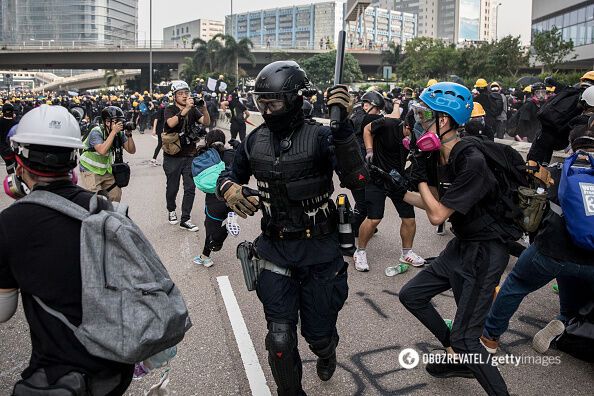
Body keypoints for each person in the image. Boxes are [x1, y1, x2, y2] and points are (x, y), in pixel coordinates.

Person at [216, 60, 367, 396]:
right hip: (275, 251)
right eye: (262, 103)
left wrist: (344, 131)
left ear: (297, 98)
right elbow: (228, 175)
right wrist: (227, 188)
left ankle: (327, 351)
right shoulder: (255, 140)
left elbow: (357, 178)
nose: (268, 110)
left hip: (320, 252)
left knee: (318, 336)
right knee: (280, 339)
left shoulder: (322, 135)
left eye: (275, 103)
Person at [0, 105, 134, 395]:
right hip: (114, 369)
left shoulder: (9, 224)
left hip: (55, 376)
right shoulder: (108, 210)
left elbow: (3, 311)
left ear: (20, 161)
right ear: (74, 157)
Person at [396, 82, 511, 395]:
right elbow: (433, 200)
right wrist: (395, 186)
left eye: (423, 116)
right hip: (462, 246)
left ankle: (465, 352)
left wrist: (418, 179)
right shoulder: (442, 156)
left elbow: (436, 216)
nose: (417, 123)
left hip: (485, 254)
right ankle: (460, 353)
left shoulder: (472, 161)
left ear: (443, 121)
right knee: (412, 295)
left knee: (467, 338)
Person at [481, 121, 594, 355]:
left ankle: (490, 338)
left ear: (572, 146)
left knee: (517, 284)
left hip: (552, 252)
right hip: (591, 260)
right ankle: (566, 320)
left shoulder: (555, 171)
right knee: (573, 276)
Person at [354, 97, 425, 271]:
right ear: (405, 126)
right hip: (377, 176)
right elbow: (366, 129)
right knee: (374, 218)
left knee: (409, 218)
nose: (413, 136)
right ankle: (360, 252)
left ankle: (406, 252)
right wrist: (369, 150)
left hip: (397, 179)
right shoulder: (387, 124)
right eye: (411, 132)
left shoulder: (418, 135)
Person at [163, 80, 210, 230]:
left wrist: (204, 108)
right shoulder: (169, 109)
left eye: (186, 93)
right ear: (174, 96)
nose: (184, 96)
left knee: (190, 188)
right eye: (180, 94)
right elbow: (170, 124)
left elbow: (206, 122)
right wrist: (186, 109)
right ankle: (171, 209)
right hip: (172, 156)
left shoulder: (193, 109)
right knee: (172, 187)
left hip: (190, 154)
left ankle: (185, 218)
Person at [193, 129, 237, 267]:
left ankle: (205, 257)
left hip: (214, 199)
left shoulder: (204, 155)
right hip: (231, 196)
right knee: (229, 214)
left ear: (207, 141)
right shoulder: (231, 153)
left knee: (211, 228)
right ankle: (231, 219)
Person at [79, 105, 136, 202]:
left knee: (115, 194)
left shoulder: (119, 133)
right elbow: (102, 150)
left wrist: (129, 135)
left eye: (120, 121)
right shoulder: (96, 132)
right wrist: (113, 132)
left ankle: (111, 215)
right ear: (107, 122)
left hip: (105, 170)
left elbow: (131, 150)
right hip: (89, 170)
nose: (120, 124)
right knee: (95, 201)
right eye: (116, 121)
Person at [349, 90, 384, 239]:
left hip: (357, 166)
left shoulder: (357, 116)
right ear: (366, 106)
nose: (378, 113)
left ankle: (361, 226)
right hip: (355, 167)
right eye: (376, 109)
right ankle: (351, 230)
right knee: (363, 203)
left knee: (363, 200)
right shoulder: (362, 120)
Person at [0, 102, 18, 173]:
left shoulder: (0, 121)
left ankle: (11, 177)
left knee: (8, 164)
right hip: (13, 147)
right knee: (16, 163)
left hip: (2, 148)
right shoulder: (16, 123)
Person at [150, 98, 166, 166]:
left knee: (163, 144)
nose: (166, 102)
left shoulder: (167, 109)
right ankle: (154, 159)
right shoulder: (161, 109)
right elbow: (156, 119)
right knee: (161, 144)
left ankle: (155, 159)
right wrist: (154, 129)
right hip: (161, 129)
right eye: (165, 101)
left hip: (165, 129)